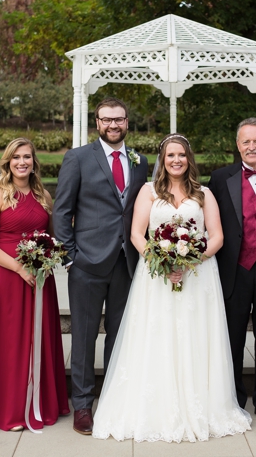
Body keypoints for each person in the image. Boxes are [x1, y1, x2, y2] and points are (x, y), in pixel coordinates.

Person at [91, 135, 254, 442]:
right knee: (158, 334)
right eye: (170, 155)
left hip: (199, 277)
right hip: (157, 277)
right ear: (162, 160)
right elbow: (138, 235)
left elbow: (216, 237)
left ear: (188, 158)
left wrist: (191, 261)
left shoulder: (204, 193)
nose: (176, 160)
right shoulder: (148, 191)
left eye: (181, 155)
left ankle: (203, 404)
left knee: (196, 335)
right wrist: (163, 262)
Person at [51, 98, 148, 435]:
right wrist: (70, 256)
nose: (113, 125)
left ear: (126, 121)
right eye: (106, 119)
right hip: (87, 263)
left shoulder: (140, 161)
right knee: (84, 336)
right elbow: (61, 211)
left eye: (119, 119)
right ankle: (82, 405)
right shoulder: (78, 158)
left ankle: (113, 398)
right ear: (97, 122)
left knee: (120, 336)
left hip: (126, 263)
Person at [0, 138, 71, 433]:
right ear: (8, 162)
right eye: (16, 158)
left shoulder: (43, 196)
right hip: (6, 277)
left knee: (39, 338)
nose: (22, 162)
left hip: (39, 280)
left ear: (33, 161)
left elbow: (53, 238)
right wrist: (17, 267)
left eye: (27, 157)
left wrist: (46, 260)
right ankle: (10, 410)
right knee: (10, 342)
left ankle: (41, 402)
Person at [207, 118, 256, 425]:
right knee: (232, 339)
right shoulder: (219, 178)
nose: (251, 147)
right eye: (245, 141)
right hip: (233, 270)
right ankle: (233, 400)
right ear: (237, 145)